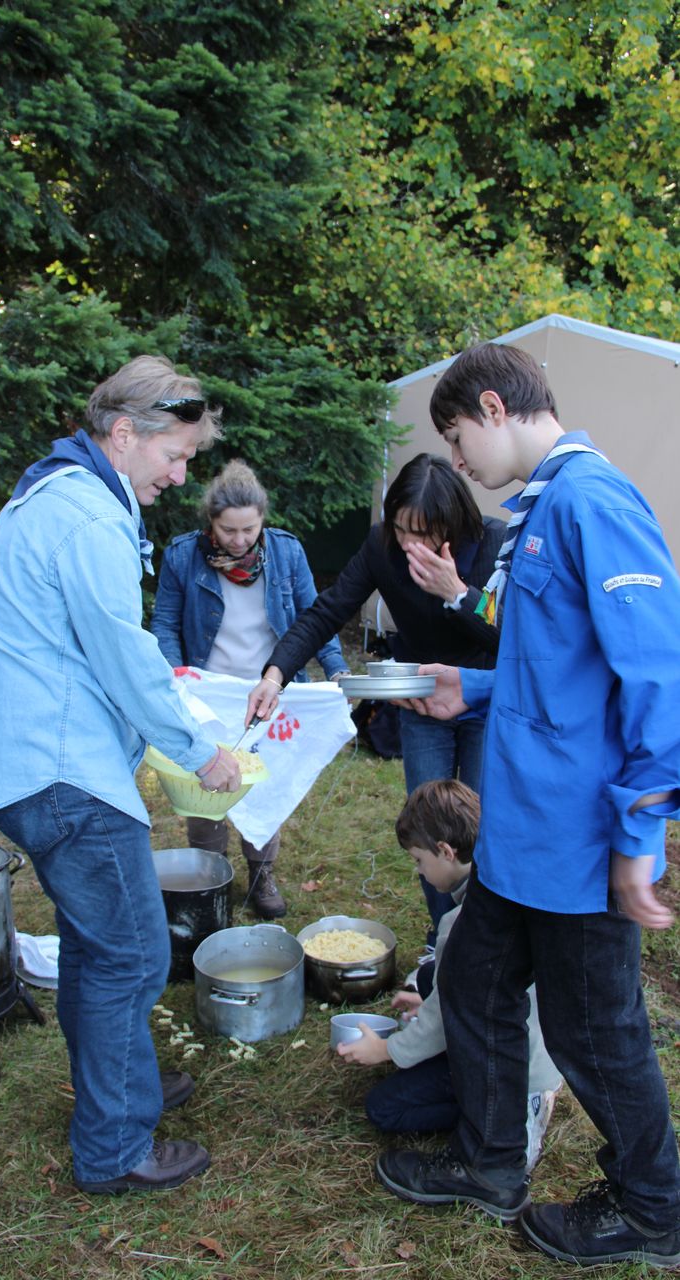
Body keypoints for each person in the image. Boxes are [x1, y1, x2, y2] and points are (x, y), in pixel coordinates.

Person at [376, 342, 680, 1269]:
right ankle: (490, 1162)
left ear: (494, 406)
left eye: (455, 436)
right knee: (472, 981)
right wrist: (465, 688)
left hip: (575, 843)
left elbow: (659, 680)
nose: (455, 459)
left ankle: (655, 1209)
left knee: (594, 1032)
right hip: (516, 836)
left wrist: (636, 835)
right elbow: (554, 669)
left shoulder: (592, 503)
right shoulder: (538, 512)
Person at [0, 355, 243, 1196]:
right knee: (132, 955)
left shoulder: (58, 494)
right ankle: (115, 1145)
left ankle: (121, 1086)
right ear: (123, 434)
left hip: (34, 765)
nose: (180, 476)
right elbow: (123, 655)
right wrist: (199, 750)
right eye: (174, 456)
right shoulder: (85, 516)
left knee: (96, 946)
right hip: (62, 773)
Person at [246, 452, 504, 935]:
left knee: (480, 828)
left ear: (452, 522)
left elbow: (509, 632)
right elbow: (328, 611)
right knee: (429, 827)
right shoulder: (382, 546)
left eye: (422, 532)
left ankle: (481, 939)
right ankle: (441, 936)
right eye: (401, 527)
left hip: (484, 701)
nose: (409, 542)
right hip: (419, 702)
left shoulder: (493, 542)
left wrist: (457, 593)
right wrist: (275, 674)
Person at [150, 458, 348, 918]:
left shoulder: (287, 553)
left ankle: (262, 875)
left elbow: (316, 618)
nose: (239, 541)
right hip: (208, 696)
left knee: (262, 786)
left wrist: (337, 669)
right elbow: (164, 623)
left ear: (262, 521)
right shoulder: (182, 556)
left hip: (269, 694)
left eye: (249, 530)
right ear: (210, 522)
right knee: (205, 783)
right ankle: (210, 875)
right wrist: (175, 674)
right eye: (228, 530)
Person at [337, 780, 561, 1171]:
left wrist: (388, 1050)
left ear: (445, 851)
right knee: (429, 977)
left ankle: (510, 1117)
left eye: (419, 860)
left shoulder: (462, 923)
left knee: (385, 1108)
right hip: (543, 1040)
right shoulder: (509, 880)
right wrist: (428, 999)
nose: (419, 871)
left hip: (516, 1065)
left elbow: (443, 1018)